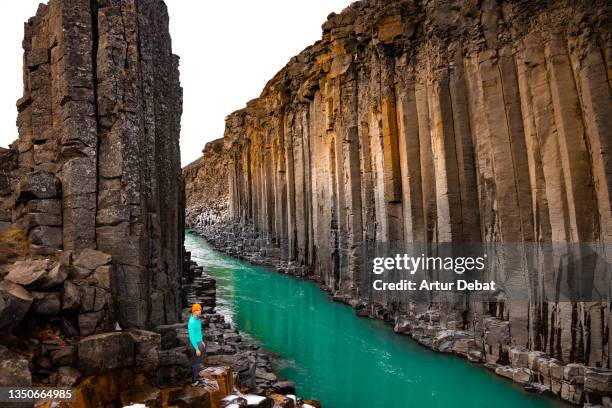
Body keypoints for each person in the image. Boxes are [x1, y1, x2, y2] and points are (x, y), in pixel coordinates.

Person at [188, 303, 205, 385]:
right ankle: (194, 380)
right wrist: (197, 348)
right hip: (194, 345)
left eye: (200, 310)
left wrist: (201, 341)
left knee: (198, 362)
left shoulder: (198, 319)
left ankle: (198, 377)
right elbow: (192, 337)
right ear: (194, 311)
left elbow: (199, 332)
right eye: (198, 310)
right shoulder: (192, 322)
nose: (200, 311)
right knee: (195, 363)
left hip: (199, 343)